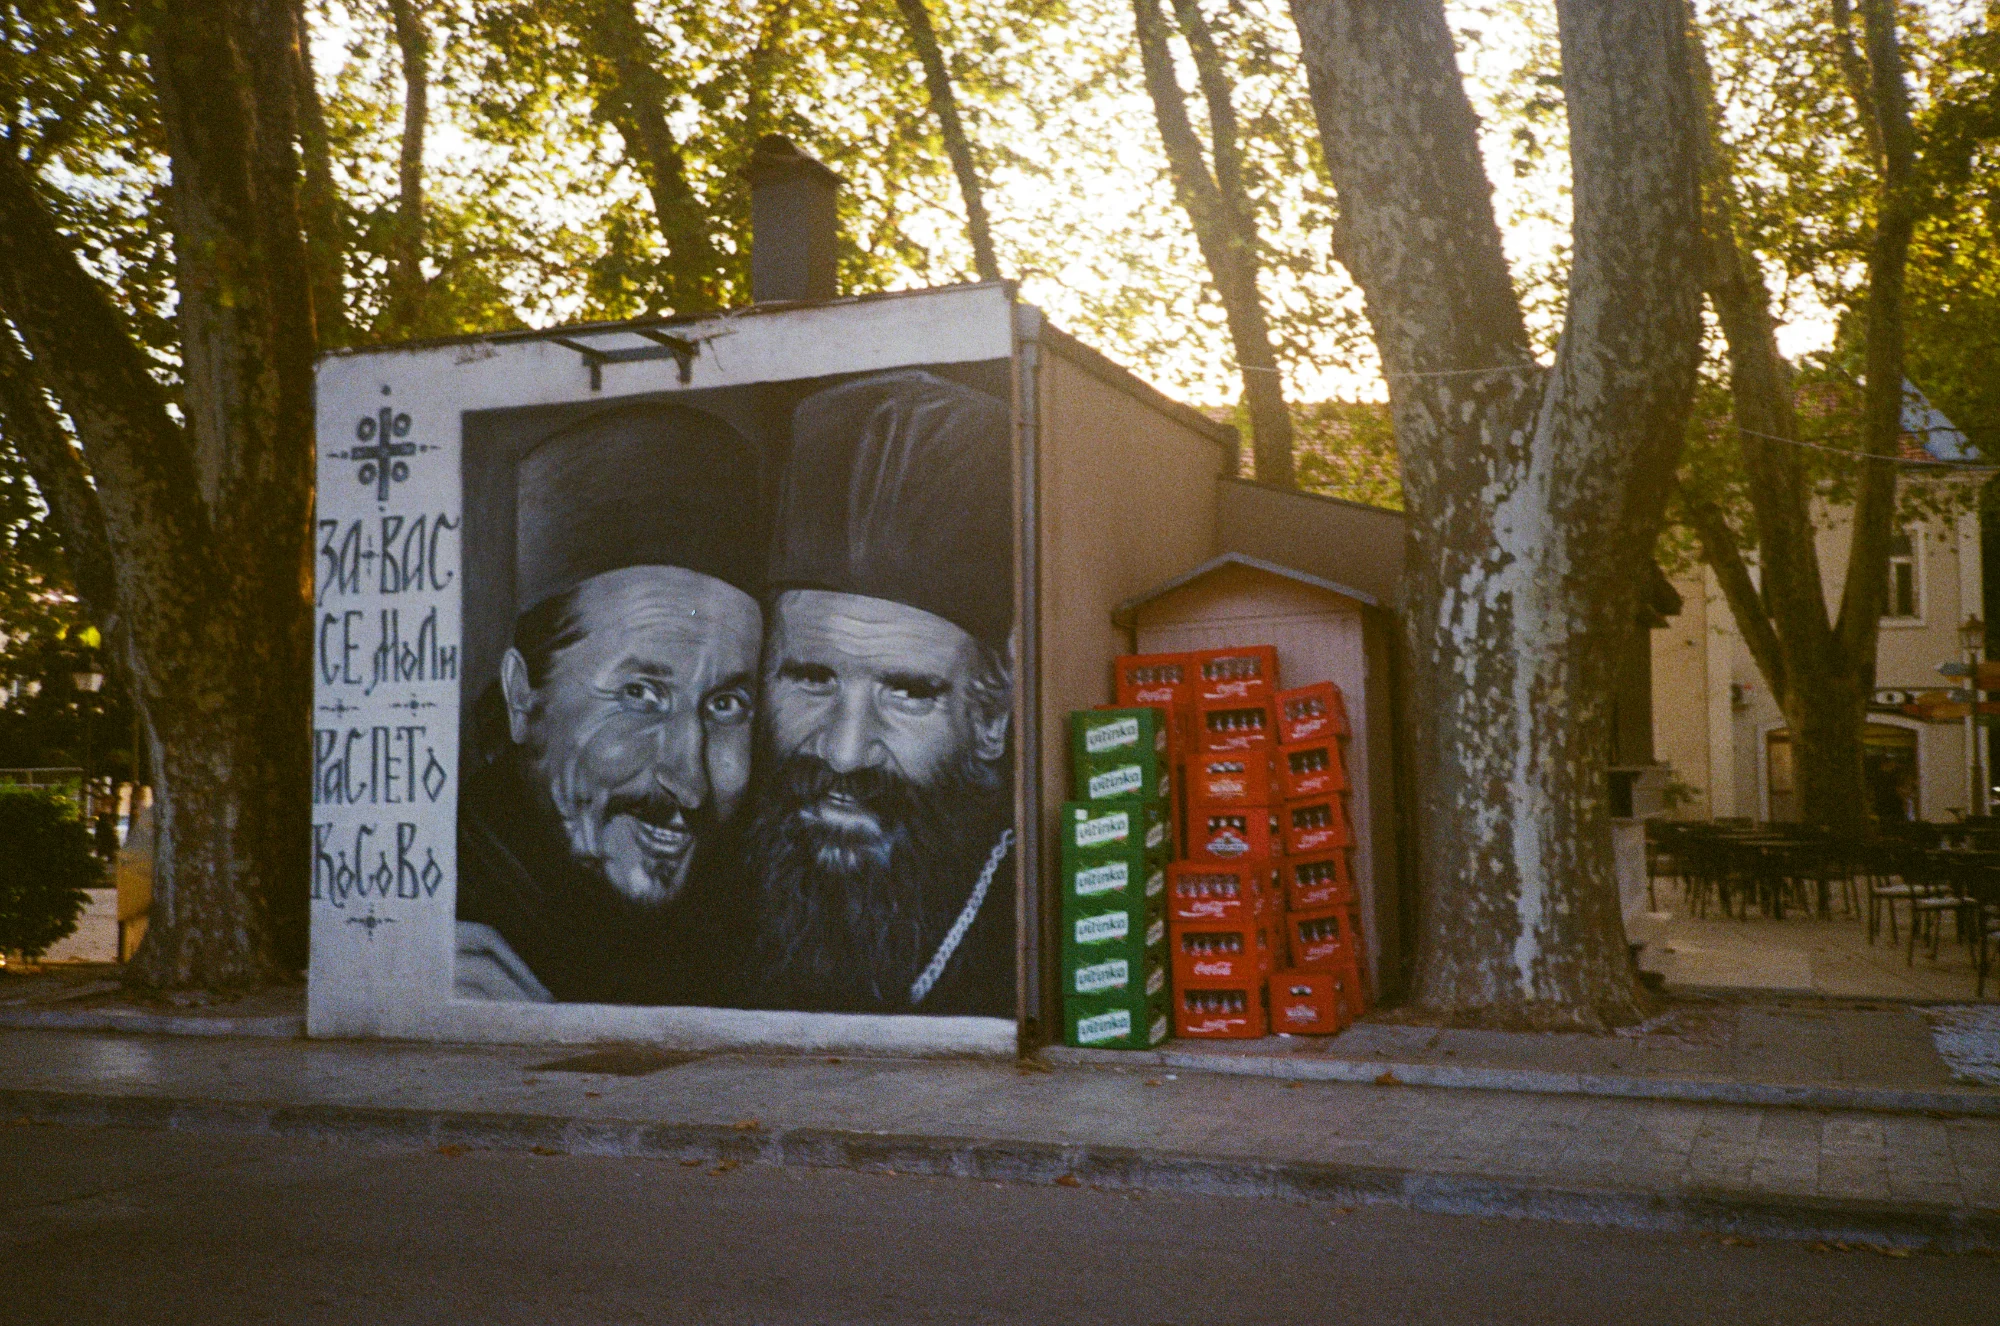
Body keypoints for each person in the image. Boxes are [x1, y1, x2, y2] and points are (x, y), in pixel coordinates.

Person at [457, 400, 764, 1005]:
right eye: (641, 695)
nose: (690, 784)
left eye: (725, 705)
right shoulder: (462, 930)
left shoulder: (744, 929)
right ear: (522, 697)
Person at [745, 369, 1016, 1017]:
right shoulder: (712, 903)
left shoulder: (1020, 940)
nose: (843, 754)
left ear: (991, 717)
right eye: (812, 679)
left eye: (906, 693)